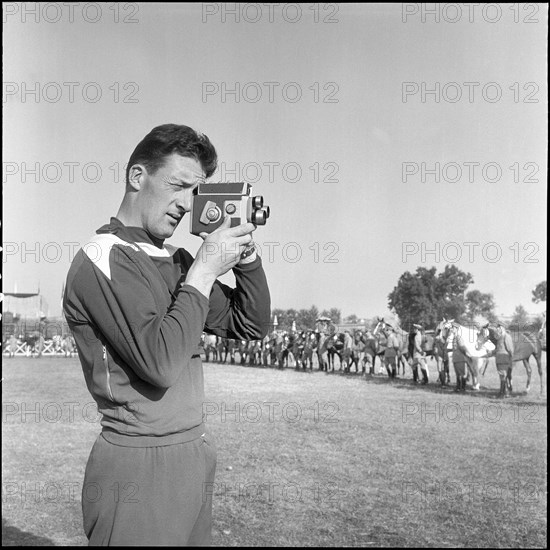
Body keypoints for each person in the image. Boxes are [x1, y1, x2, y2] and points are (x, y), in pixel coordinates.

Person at [63, 124, 271, 546]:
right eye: (177, 185)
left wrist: (245, 257)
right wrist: (205, 271)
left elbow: (251, 324)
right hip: (139, 460)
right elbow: (159, 365)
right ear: (138, 177)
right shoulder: (102, 257)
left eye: (194, 192)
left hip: (192, 449)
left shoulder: (176, 259)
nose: (184, 204)